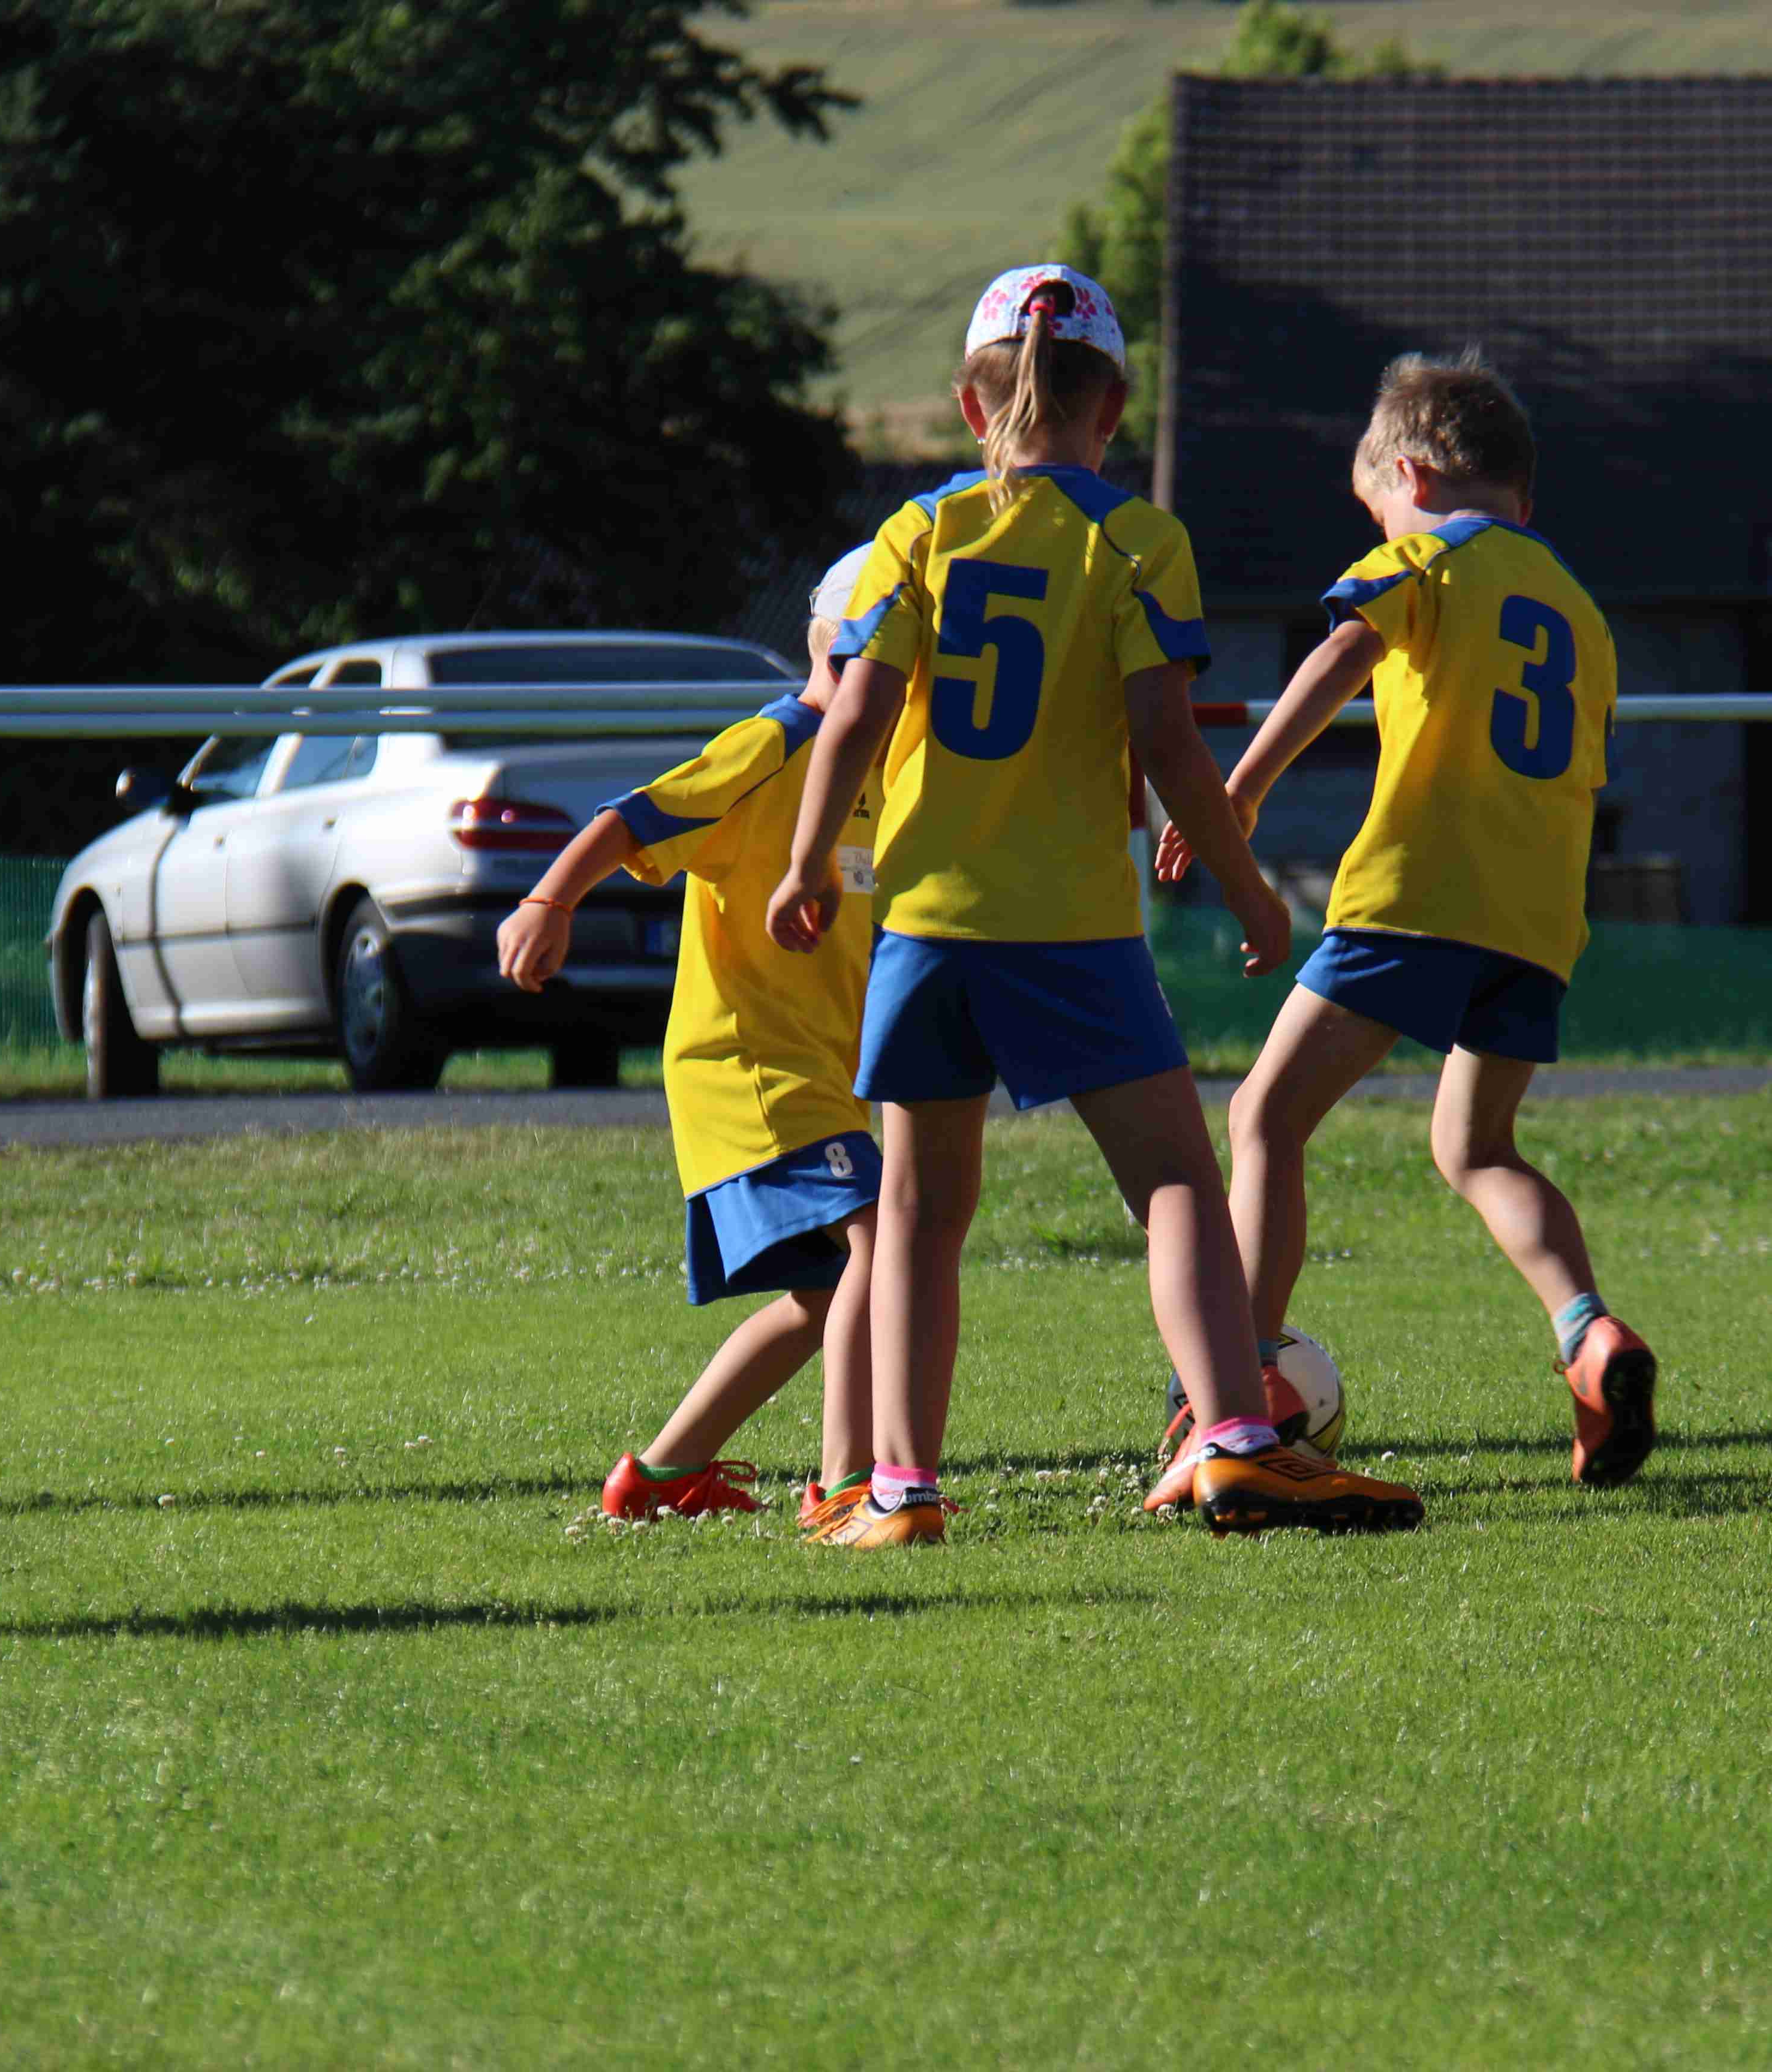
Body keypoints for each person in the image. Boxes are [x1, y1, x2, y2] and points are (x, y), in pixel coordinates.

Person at [765, 263, 1422, 1547]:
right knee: (1176, 1180)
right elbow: (1168, 740)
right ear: (1114, 407)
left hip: (927, 923)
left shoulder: (919, 533)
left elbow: (854, 718)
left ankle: (900, 1492)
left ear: (971, 405)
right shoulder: (1139, 541)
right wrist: (1248, 886)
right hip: (1069, 924)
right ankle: (1236, 1441)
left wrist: (805, 865)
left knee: (919, 1217)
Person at [1148, 352, 1657, 1498]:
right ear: (1523, 493)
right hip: (1538, 917)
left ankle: (1240, 1400)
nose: (1375, 529)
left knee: (1265, 1115)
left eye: (1374, 506)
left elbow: (1344, 647)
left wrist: (1241, 789)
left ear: (1412, 478)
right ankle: (1587, 1331)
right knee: (1476, 1149)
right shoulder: (1579, 610)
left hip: (1420, 893)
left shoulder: (1420, 558)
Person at [495, 553, 884, 1535]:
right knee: (883, 1245)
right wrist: (548, 902)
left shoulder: (883, 768)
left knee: (822, 1296)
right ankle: (847, 1489)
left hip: (821, 1069)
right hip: (751, 1063)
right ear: (844, 650)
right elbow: (632, 820)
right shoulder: (773, 745)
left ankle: (660, 1477)